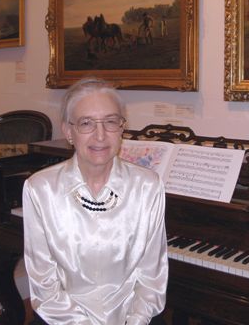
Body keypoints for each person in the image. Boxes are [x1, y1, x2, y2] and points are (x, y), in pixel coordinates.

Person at [23, 77, 169, 325]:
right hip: (61, 318)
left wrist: (136, 320)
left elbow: (151, 276)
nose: (100, 135)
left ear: (122, 128)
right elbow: (44, 283)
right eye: (86, 123)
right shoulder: (40, 189)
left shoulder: (148, 186)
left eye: (111, 122)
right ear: (69, 131)